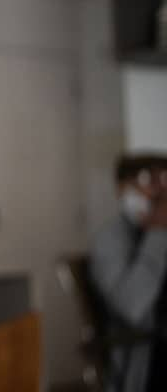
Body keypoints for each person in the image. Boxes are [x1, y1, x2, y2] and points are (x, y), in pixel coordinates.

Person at [89, 154, 167, 392]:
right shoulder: (110, 240)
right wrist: (158, 232)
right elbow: (132, 307)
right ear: (123, 188)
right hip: (147, 357)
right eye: (149, 182)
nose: (159, 194)